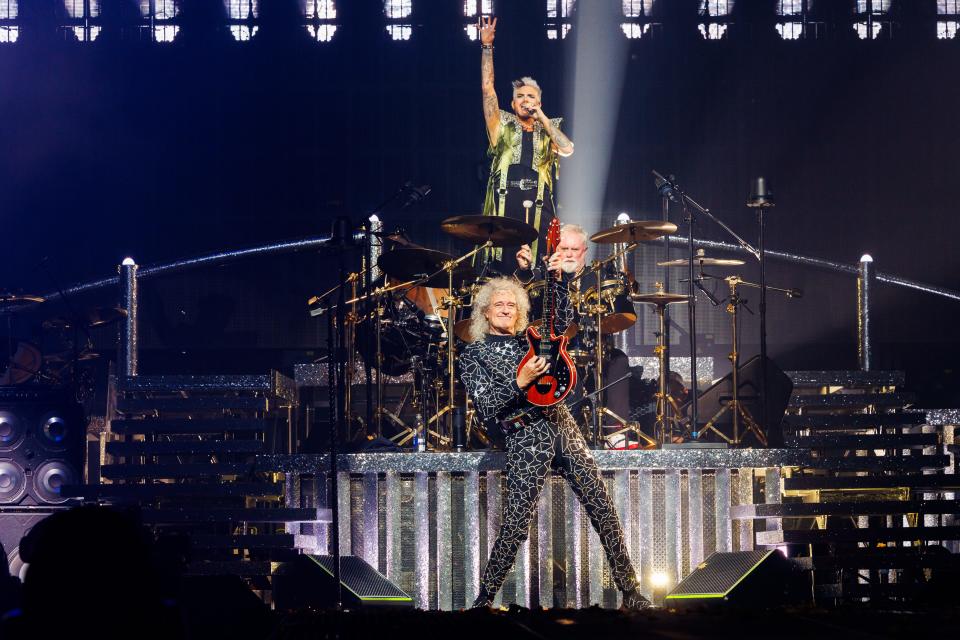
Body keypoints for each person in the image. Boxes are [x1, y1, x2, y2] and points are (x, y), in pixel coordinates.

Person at [458, 265, 650, 610]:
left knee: (602, 507)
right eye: (499, 304)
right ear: (485, 311)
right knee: (517, 520)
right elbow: (487, 405)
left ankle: (631, 593)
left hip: (562, 425)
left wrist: (558, 279)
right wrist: (521, 380)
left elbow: (561, 320)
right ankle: (484, 600)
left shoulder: (531, 339)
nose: (505, 309)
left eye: (512, 305)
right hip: (525, 435)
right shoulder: (474, 354)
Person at [517, 224, 637, 448]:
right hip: (553, 350)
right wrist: (525, 272)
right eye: (564, 249)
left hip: (593, 347)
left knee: (619, 359)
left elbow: (617, 315)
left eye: (575, 249)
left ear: (584, 251)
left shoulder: (598, 277)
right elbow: (522, 304)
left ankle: (614, 431)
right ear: (554, 249)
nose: (569, 254)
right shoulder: (545, 277)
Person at [478, 16, 574, 276]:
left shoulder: (548, 129)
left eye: (531, 96)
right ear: (512, 104)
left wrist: (541, 117)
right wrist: (487, 47)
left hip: (539, 209)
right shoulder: (503, 125)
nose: (525, 100)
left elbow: (567, 148)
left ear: (539, 102)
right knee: (501, 268)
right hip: (504, 207)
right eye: (519, 96)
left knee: (538, 269)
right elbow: (488, 90)